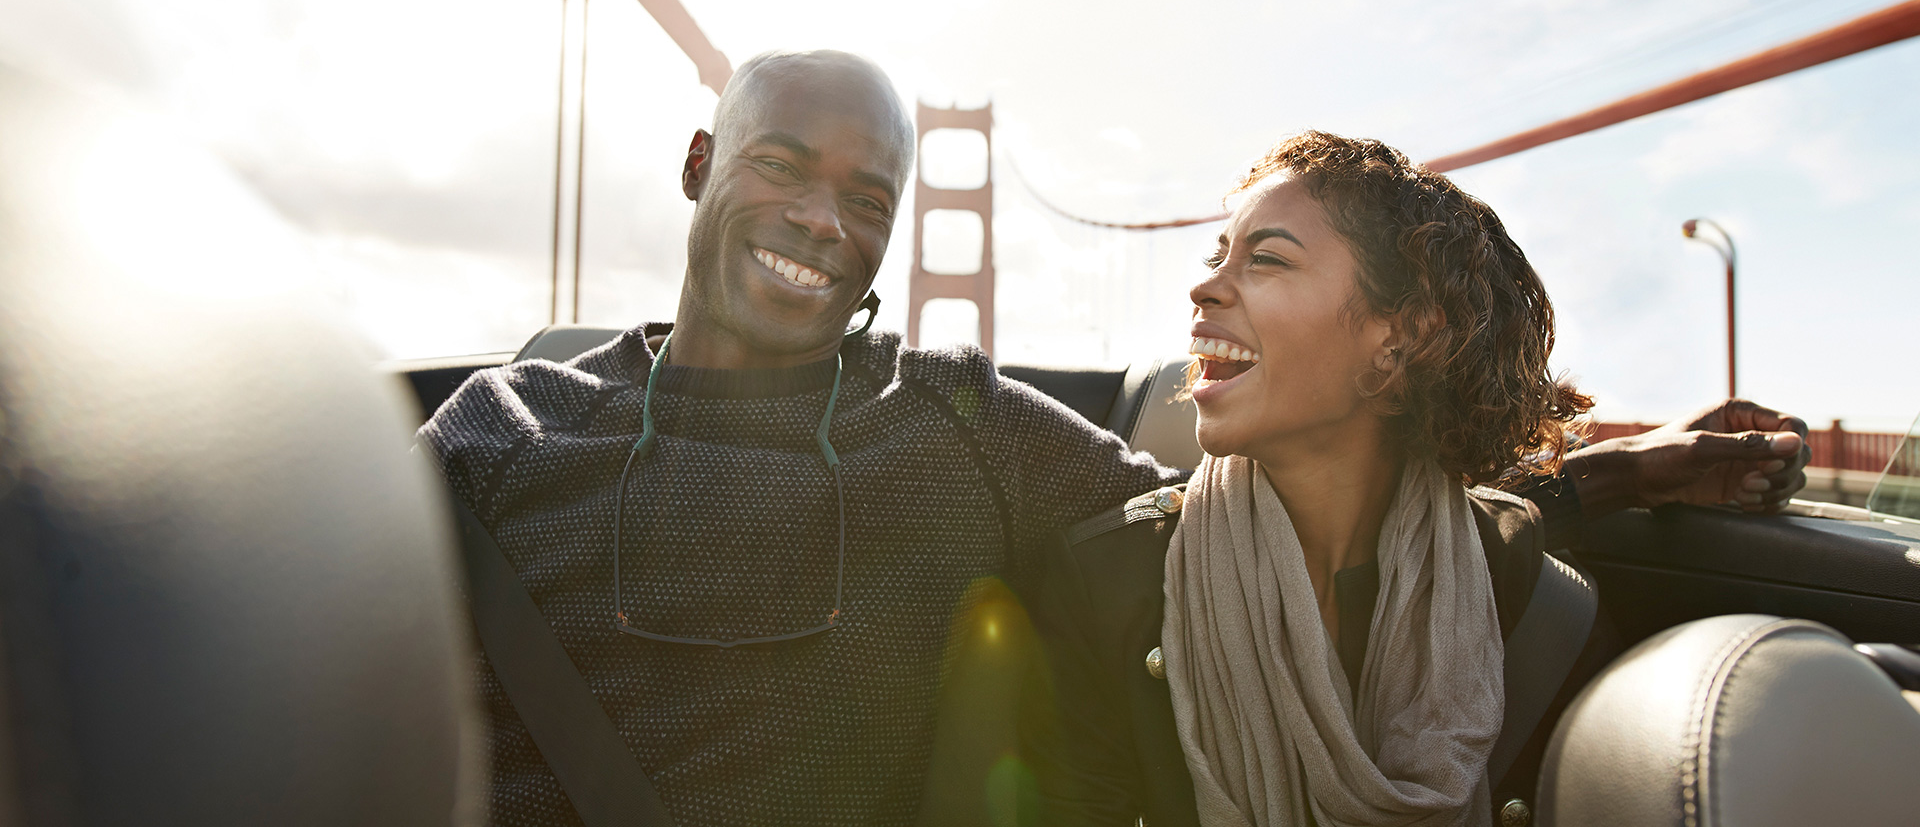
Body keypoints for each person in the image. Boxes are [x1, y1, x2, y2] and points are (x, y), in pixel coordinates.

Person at [420, 52, 1809, 827]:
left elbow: (1277, 521)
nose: (821, 221)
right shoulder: (493, 432)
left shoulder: (957, 419)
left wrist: (1601, 472)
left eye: (868, 196)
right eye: (780, 165)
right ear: (699, 168)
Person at [1017, 132, 1810, 827]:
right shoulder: (1109, 581)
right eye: (1216, 256)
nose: (1205, 287)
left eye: (1265, 258)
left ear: (1398, 341)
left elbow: (1488, 528)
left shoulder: (1523, 589)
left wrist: (1629, 474)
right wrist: (1622, 473)